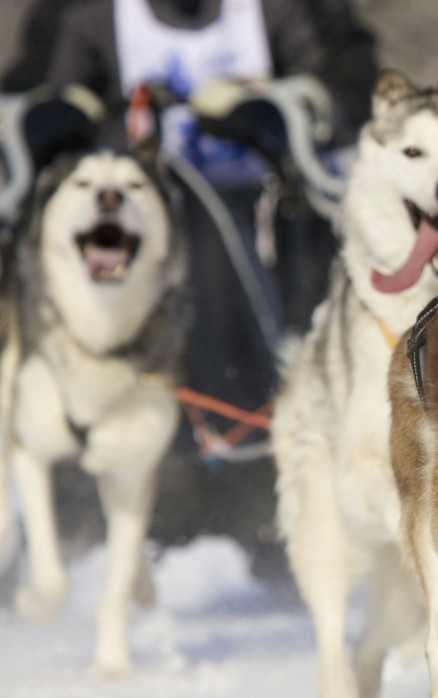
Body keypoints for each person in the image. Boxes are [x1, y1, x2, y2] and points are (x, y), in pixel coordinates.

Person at [2, 0, 379, 576]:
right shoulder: (85, 13)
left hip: (258, 211)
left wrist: (279, 108)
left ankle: (261, 510)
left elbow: (346, 77)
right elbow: (40, 85)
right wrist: (64, 109)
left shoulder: (284, 11)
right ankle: (83, 527)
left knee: (236, 291)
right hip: (123, 216)